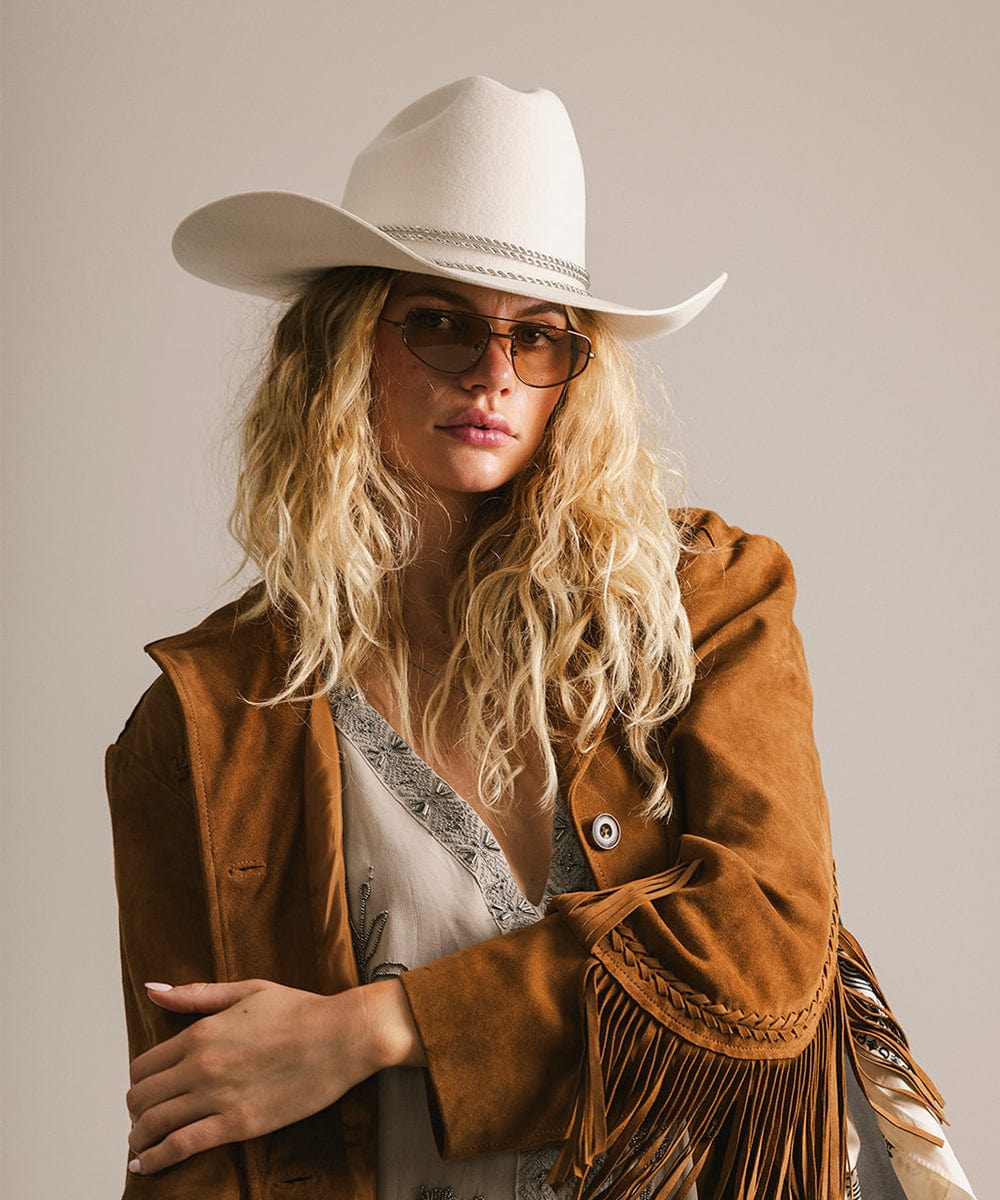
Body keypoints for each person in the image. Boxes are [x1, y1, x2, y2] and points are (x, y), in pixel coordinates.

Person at [107, 77, 975, 1200]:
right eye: (440, 322)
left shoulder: (702, 602)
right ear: (344, 346)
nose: (493, 373)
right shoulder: (207, 718)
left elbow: (763, 943)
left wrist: (374, 1028)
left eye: (538, 337)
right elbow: (199, 1128)